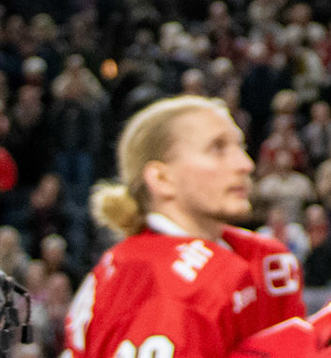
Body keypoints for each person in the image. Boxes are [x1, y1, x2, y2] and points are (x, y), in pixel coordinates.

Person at [63, 96, 308, 357]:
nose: (245, 164)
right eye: (217, 148)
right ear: (161, 178)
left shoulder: (265, 259)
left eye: (241, 146)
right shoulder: (165, 284)